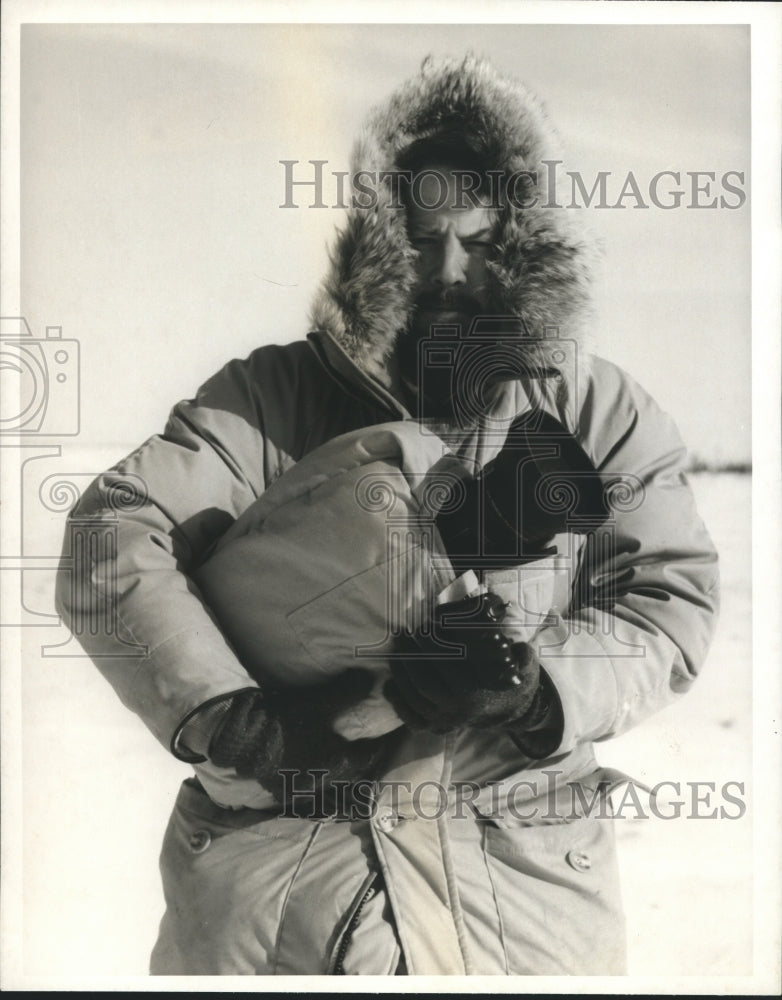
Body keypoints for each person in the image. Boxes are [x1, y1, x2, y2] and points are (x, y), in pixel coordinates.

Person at [55, 54, 719, 976]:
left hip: (519, 902)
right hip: (287, 905)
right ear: (375, 242)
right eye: (418, 238)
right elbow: (112, 533)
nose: (448, 272)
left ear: (524, 248)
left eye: (480, 242)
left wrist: (540, 692)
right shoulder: (270, 398)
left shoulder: (598, 411)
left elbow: (667, 599)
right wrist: (231, 719)